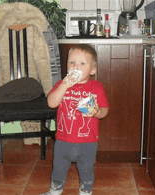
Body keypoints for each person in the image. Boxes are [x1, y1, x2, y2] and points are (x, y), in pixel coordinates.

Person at [41, 44, 109, 195]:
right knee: (58, 168)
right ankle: (54, 191)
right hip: (63, 139)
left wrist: (97, 112)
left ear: (92, 70)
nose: (75, 67)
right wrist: (64, 84)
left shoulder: (96, 87)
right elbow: (51, 103)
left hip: (88, 142)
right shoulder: (61, 85)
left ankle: (86, 192)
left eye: (82, 63)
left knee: (86, 170)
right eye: (71, 63)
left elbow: (105, 110)